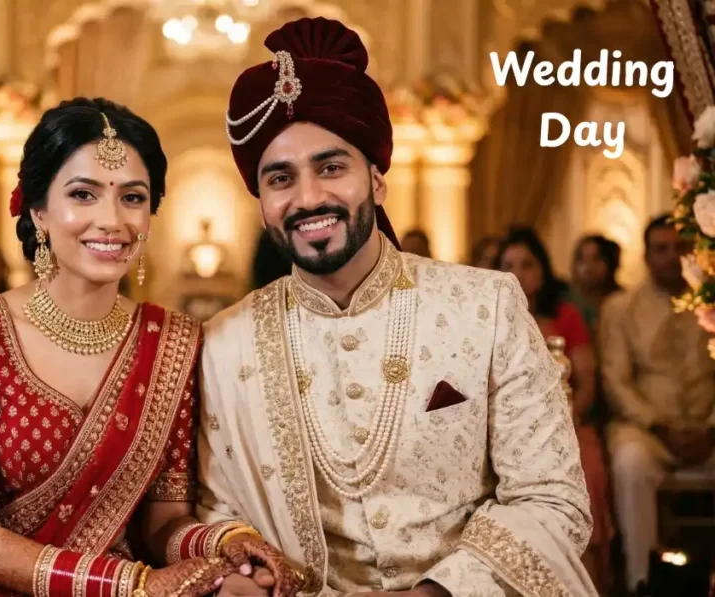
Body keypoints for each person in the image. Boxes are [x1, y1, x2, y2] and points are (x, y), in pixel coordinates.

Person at [0, 98, 302, 597]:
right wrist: (133, 584)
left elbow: (163, 524)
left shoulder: (173, 342)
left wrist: (225, 544)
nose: (112, 220)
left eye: (132, 197)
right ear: (40, 211)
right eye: (84, 195)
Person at [199, 17, 595, 596]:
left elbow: (552, 496)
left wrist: (439, 592)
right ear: (261, 203)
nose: (309, 197)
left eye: (331, 167)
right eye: (280, 178)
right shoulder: (223, 344)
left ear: (377, 180)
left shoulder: (485, 306)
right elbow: (215, 510)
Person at [600, 215, 715, 594]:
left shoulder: (711, 299)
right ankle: (641, 582)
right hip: (648, 430)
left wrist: (710, 429)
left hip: (708, 428)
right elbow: (617, 381)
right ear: (646, 256)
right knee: (630, 461)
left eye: (679, 247)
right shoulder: (621, 308)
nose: (671, 257)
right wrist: (660, 427)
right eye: (660, 249)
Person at [496, 227, 613, 592]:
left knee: (586, 470)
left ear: (543, 270)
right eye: (508, 265)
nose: (517, 273)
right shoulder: (488, 319)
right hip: (505, 435)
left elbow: (588, 384)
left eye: (527, 264)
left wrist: (561, 425)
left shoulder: (566, 316)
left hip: (568, 426)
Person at [569, 235, 622, 333]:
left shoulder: (622, 302)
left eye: (596, 259)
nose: (588, 266)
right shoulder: (567, 302)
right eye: (582, 259)